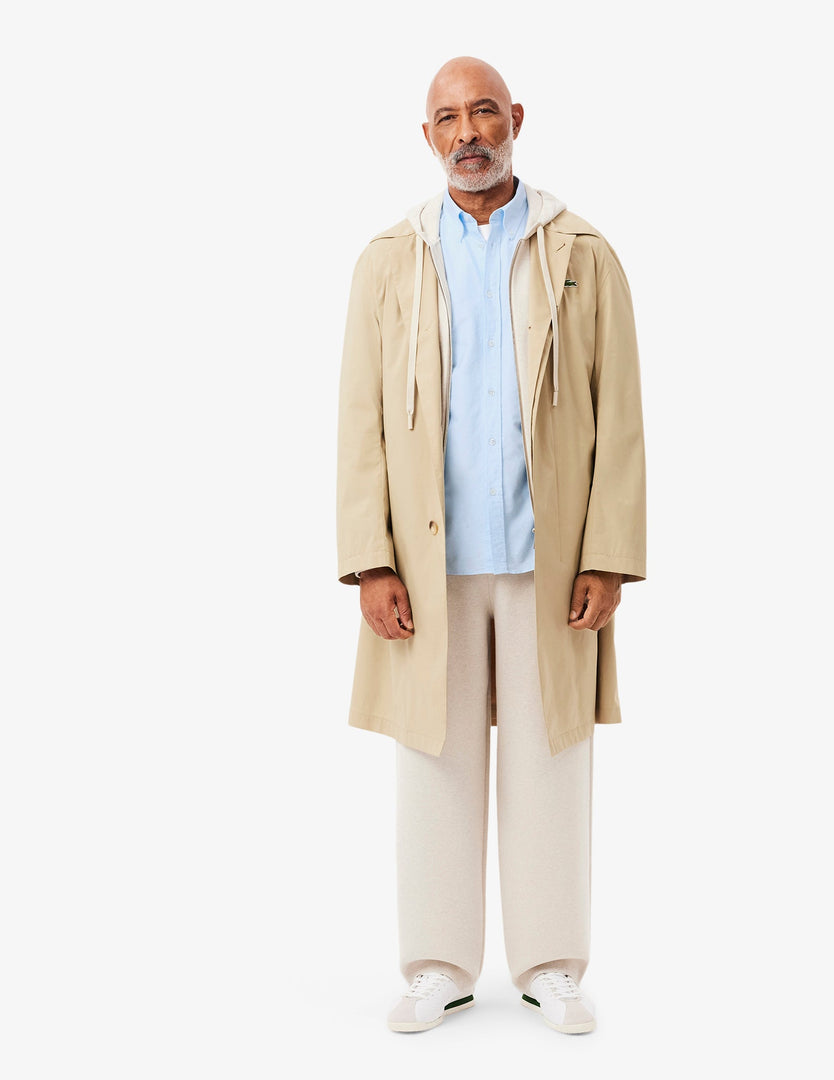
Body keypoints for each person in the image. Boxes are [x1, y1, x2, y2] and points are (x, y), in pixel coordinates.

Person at [336, 56, 646, 1034]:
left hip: (549, 558)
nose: (467, 133)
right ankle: (438, 965)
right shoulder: (390, 259)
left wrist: (607, 552)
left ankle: (552, 965)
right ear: (427, 137)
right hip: (428, 566)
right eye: (447, 118)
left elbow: (619, 413)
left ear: (515, 118)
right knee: (433, 757)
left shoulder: (580, 252)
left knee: (552, 757)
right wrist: (371, 558)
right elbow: (360, 419)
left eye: (482, 113)